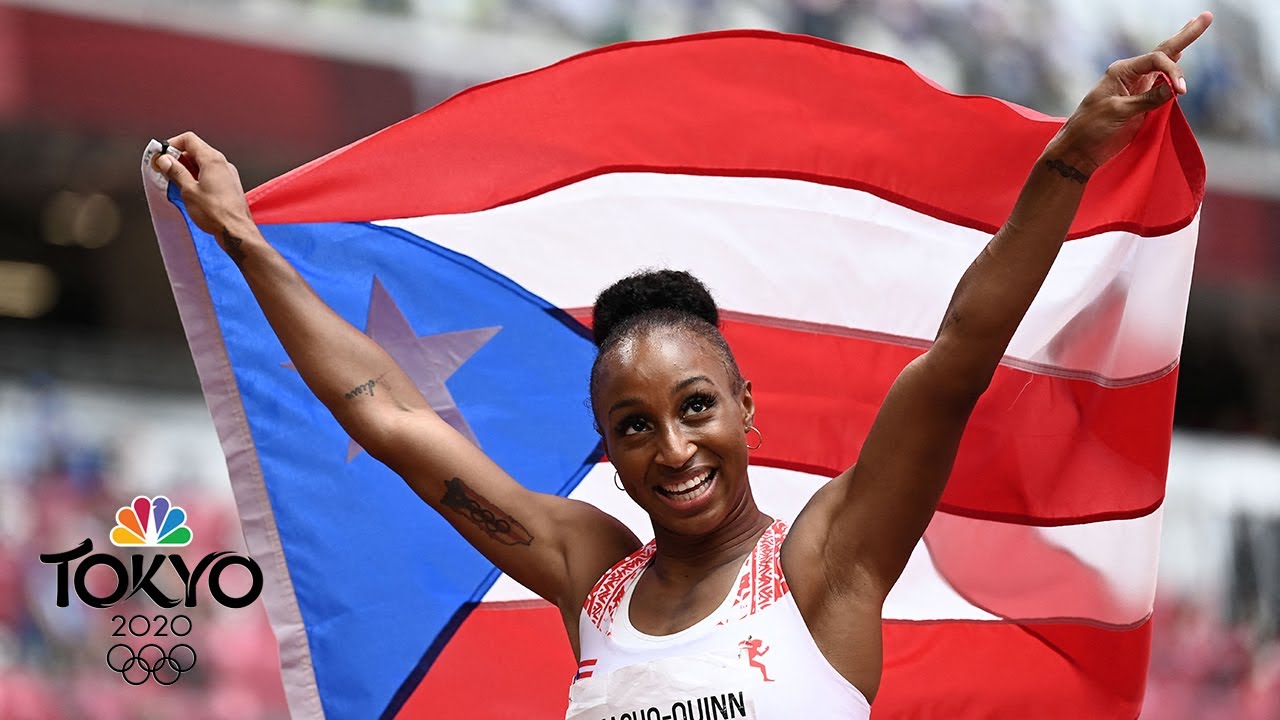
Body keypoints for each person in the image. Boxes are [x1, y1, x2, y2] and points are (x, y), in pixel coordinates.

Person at [153, 12, 1213, 718]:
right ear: (606, 451)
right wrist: (244, 240)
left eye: (693, 406)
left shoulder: (827, 563)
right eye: (631, 426)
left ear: (744, 408)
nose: (672, 447)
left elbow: (956, 356)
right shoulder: (587, 574)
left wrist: (1067, 159)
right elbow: (385, 413)